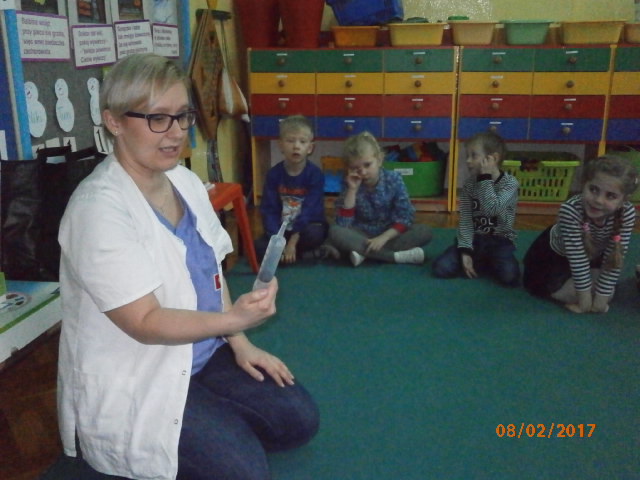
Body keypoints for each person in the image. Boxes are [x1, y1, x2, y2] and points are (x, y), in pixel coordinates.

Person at [56, 53, 319, 480]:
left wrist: (240, 341)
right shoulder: (97, 209)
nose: (176, 132)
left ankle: (206, 416)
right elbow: (144, 322)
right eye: (158, 118)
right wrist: (232, 320)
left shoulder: (184, 181)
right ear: (114, 121)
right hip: (139, 373)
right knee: (244, 473)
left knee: (298, 420)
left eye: (182, 116)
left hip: (202, 351)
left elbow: (212, 271)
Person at [523, 155, 638, 313]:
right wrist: (584, 303)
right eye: (593, 190)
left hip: (593, 253)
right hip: (556, 257)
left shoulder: (627, 212)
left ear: (623, 200)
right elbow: (578, 260)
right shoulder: (570, 210)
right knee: (572, 293)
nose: (598, 200)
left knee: (607, 293)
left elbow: (613, 258)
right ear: (584, 185)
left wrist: (600, 302)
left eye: (610, 196)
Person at [328, 131, 432, 266]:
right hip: (360, 234)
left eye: (367, 165)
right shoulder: (349, 182)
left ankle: (362, 253)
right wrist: (352, 190)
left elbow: (405, 216)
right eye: (355, 168)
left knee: (424, 231)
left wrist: (383, 237)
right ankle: (395, 257)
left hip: (389, 233)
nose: (363, 172)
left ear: (379, 159)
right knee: (335, 232)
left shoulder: (393, 179)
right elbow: (343, 223)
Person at [431, 131, 520, 286]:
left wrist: (485, 178)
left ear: (493, 159)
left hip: (500, 241)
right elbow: (466, 220)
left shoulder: (510, 184)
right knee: (441, 268)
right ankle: (479, 260)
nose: (468, 161)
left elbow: (492, 210)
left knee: (510, 278)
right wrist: (465, 251)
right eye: (468, 156)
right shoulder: (469, 185)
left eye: (474, 156)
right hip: (475, 240)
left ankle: (486, 262)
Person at [256, 114, 329, 264]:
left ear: (310, 148)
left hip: (304, 230)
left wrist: (292, 242)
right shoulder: (273, 175)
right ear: (281, 145)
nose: (296, 146)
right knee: (258, 247)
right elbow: (269, 210)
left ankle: (291, 254)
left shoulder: (315, 175)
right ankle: (305, 255)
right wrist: (278, 241)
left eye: (302, 142)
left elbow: (309, 211)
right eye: (290, 141)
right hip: (281, 230)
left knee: (315, 234)